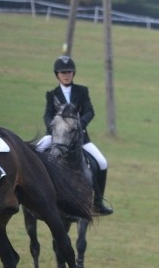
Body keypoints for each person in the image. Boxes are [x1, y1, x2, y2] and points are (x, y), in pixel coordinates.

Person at [37, 55, 113, 215]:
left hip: (79, 138)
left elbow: (89, 111)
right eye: (63, 72)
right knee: (34, 155)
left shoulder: (82, 91)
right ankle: (34, 194)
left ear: (73, 73)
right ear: (57, 74)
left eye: (69, 72)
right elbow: (47, 115)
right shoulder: (52, 94)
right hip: (56, 136)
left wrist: (80, 125)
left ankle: (98, 201)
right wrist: (54, 128)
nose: (66, 75)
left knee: (102, 162)